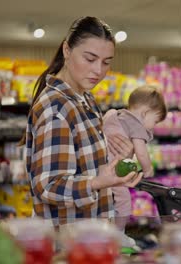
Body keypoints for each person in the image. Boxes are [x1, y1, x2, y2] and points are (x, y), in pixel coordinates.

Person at [24, 16, 142, 227]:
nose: (99, 70)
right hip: (67, 244)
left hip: (91, 237)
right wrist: (97, 182)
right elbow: (48, 186)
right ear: (66, 50)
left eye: (106, 62)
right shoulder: (56, 108)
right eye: (90, 59)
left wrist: (116, 163)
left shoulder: (85, 99)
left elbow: (85, 168)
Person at [103, 85, 167, 229]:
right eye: (155, 121)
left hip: (98, 166)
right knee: (124, 200)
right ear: (145, 113)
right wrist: (148, 169)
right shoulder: (136, 125)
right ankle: (119, 233)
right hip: (112, 171)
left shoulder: (116, 114)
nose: (153, 126)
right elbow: (141, 152)